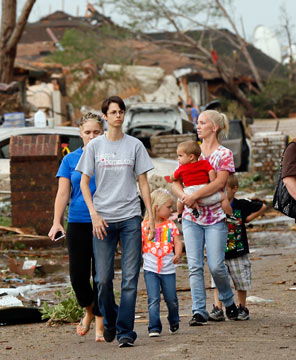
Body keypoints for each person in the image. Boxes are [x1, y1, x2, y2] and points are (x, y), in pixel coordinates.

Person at [77, 95, 155, 348]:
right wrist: (94, 214)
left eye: (121, 111)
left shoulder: (135, 145)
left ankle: (125, 331)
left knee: (130, 278)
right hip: (103, 220)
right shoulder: (94, 147)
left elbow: (143, 182)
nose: (118, 115)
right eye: (113, 112)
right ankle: (109, 320)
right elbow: (83, 183)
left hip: (131, 217)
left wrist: (150, 216)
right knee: (102, 279)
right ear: (106, 117)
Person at [172, 109, 238, 326]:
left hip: (216, 217)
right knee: (194, 266)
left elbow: (220, 183)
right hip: (192, 218)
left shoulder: (224, 154)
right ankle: (199, 311)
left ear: (214, 127)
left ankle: (228, 301)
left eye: (201, 123)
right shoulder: (190, 152)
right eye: (197, 123)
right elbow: (175, 180)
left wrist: (194, 196)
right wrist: (184, 197)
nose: (197, 126)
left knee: (217, 265)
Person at [48, 113, 105, 342]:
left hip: (104, 222)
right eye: (87, 132)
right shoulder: (70, 160)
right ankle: (90, 310)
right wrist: (56, 221)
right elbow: (63, 193)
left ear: (103, 133)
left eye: (96, 132)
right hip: (78, 223)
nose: (92, 136)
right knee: (78, 277)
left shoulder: (108, 158)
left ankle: (100, 326)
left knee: (101, 276)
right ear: (80, 134)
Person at [209, 175, 266, 322]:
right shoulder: (214, 206)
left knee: (241, 281)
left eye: (224, 189)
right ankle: (218, 308)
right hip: (219, 251)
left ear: (234, 189)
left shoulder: (241, 204)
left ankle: (242, 307)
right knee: (217, 281)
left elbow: (262, 206)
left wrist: (248, 219)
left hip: (238, 251)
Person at [141, 189, 183, 337]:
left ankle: (174, 320)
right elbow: (139, 244)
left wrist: (177, 253)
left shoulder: (170, 225)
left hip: (168, 269)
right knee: (154, 299)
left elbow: (178, 242)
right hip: (150, 269)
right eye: (169, 207)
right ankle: (154, 326)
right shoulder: (144, 226)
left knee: (171, 299)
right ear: (157, 207)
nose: (171, 210)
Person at [172, 140, 231, 216]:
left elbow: (174, 178)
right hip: (204, 192)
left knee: (180, 200)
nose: (178, 158)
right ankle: (229, 215)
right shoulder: (204, 163)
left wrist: (172, 176)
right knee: (223, 197)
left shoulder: (182, 168)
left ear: (191, 157)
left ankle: (180, 215)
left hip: (189, 193)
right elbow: (211, 171)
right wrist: (212, 181)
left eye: (180, 156)